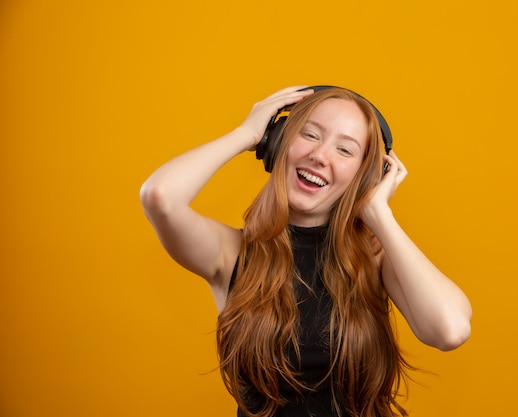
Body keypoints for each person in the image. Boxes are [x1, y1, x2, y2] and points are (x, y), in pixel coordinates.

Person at [140, 85, 472, 417]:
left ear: (365, 177)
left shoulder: (376, 257)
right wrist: (246, 134)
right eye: (309, 135)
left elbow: (450, 329)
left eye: (345, 149)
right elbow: (160, 196)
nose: (320, 155)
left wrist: (378, 214)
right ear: (277, 143)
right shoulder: (231, 254)